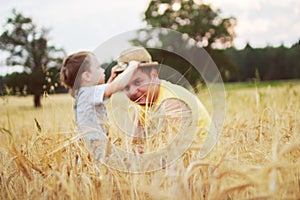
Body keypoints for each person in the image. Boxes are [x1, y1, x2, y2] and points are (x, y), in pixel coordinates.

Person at [109, 47, 211, 154]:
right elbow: (135, 144)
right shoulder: (143, 100)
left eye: (138, 82)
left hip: (202, 162)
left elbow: (171, 152)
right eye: (125, 87)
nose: (132, 92)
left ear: (153, 75)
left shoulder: (172, 102)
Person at [60, 51, 139, 160]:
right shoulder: (88, 93)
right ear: (87, 76)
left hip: (92, 144)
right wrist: (132, 66)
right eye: (98, 67)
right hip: (95, 145)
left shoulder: (85, 93)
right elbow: (115, 86)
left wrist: (112, 78)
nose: (102, 70)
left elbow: (108, 90)